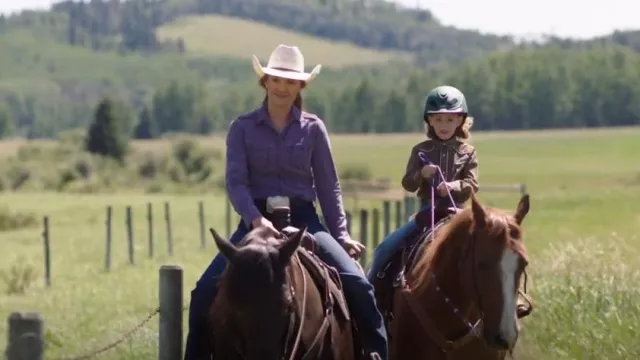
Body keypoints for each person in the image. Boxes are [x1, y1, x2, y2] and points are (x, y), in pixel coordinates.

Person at [184, 44, 388, 360]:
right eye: (276, 80)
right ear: (265, 82)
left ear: (300, 86)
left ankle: (375, 354)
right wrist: (255, 218)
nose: (283, 87)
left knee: (358, 284)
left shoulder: (314, 129)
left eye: (291, 82)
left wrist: (341, 235)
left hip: (306, 218)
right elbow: (236, 183)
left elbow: (328, 186)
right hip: (256, 221)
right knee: (203, 293)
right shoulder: (242, 128)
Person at [367, 85, 479, 282]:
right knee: (385, 248)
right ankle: (371, 293)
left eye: (450, 119)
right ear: (429, 121)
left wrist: (453, 186)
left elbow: (472, 184)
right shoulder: (420, 150)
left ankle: (510, 298)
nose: (444, 125)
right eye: (438, 119)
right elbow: (408, 184)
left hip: (458, 213)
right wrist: (421, 174)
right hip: (427, 213)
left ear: (460, 120)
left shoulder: (468, 152)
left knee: (494, 247)